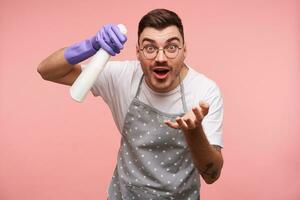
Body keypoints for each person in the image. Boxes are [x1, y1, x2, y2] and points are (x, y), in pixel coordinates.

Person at [37, 8, 224, 200]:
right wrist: (91, 45)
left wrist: (194, 131)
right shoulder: (122, 77)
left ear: (184, 50)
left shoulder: (204, 91)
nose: (160, 58)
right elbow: (47, 71)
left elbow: (212, 174)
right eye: (150, 48)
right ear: (138, 52)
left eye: (171, 47)